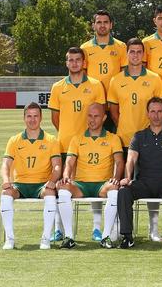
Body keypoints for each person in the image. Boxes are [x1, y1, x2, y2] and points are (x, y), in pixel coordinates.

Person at [108, 37, 162, 241]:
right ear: (127, 54)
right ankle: (117, 227)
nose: (135, 55)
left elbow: (159, 108)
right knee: (121, 185)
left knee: (152, 183)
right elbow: (114, 112)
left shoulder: (154, 78)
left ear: (144, 55)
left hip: (150, 142)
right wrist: (127, 129)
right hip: (124, 141)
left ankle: (154, 228)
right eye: (131, 52)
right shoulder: (116, 80)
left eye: (139, 52)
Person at [49, 46, 106, 241]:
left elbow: (99, 113)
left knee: (94, 183)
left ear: (84, 62)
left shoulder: (96, 85)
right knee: (62, 186)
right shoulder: (58, 87)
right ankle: (59, 228)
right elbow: (55, 118)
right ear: (66, 63)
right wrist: (68, 134)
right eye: (70, 60)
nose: (74, 63)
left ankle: (97, 228)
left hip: (91, 144)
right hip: (64, 145)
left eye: (77, 60)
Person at [117, 97, 162, 249]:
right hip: (144, 183)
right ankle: (127, 237)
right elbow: (131, 160)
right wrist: (128, 178)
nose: (156, 115)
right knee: (123, 191)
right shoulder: (139, 136)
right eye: (152, 111)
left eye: (159, 111)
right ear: (147, 114)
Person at [56, 103, 124, 249]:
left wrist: (116, 178)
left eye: (96, 116)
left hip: (103, 184)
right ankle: (69, 237)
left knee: (115, 189)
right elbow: (69, 162)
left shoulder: (113, 138)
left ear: (104, 118)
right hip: (81, 185)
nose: (92, 120)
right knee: (62, 188)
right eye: (89, 116)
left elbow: (119, 162)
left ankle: (105, 237)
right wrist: (66, 176)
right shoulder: (77, 139)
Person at [1, 102, 62, 250]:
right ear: (24, 118)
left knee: (50, 193)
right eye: (29, 116)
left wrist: (52, 180)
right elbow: (5, 165)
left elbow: (57, 166)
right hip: (20, 184)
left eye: (36, 116)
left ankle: (46, 238)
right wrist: (6, 180)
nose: (32, 119)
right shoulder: (14, 140)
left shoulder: (51, 140)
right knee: (5, 193)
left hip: (42, 184)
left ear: (41, 118)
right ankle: (9, 239)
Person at [80, 10, 127, 132]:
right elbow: (82, 76)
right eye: (99, 22)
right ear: (93, 25)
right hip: (93, 104)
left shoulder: (121, 46)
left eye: (105, 22)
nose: (102, 25)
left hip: (115, 103)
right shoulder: (84, 48)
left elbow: (124, 75)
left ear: (111, 25)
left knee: (116, 139)